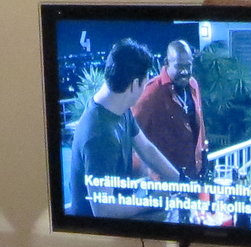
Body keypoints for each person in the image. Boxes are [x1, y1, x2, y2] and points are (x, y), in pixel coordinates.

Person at [65, 38, 183, 217]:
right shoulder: (100, 135)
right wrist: (151, 202)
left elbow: (146, 148)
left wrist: (181, 182)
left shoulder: (117, 107)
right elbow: (103, 211)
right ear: (135, 84)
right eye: (145, 83)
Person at [131, 39, 207, 176]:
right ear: (166, 63)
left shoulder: (193, 85)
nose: (184, 72)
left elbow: (199, 126)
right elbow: (133, 137)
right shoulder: (151, 93)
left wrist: (203, 160)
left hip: (193, 174)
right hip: (166, 181)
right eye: (179, 66)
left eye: (188, 66)